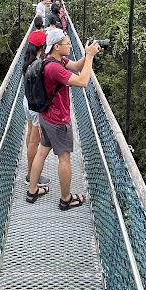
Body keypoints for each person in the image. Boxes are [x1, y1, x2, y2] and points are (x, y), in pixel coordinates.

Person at [26, 28, 101, 210]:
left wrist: (87, 53)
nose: (69, 45)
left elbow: (76, 67)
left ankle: (32, 191)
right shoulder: (55, 68)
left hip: (45, 117)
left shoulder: (51, 59)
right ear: (57, 46)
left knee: (42, 152)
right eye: (67, 43)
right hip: (58, 120)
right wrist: (90, 57)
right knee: (64, 159)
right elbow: (83, 81)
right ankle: (66, 199)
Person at [22, 29, 50, 188]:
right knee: (35, 141)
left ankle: (30, 171)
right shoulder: (38, 64)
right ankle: (32, 175)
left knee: (30, 136)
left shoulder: (27, 61)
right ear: (42, 46)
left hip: (27, 101)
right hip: (35, 106)